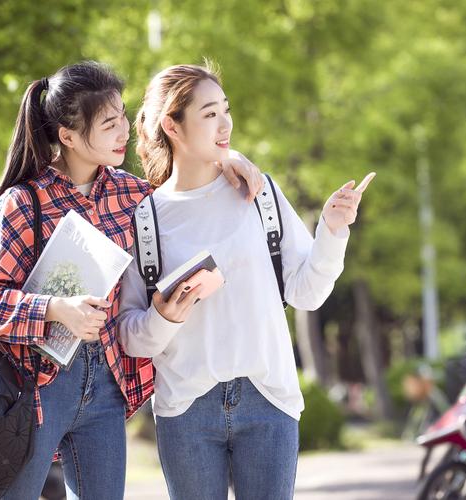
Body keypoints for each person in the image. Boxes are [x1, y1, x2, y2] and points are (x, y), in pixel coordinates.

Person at [0, 60, 263, 500]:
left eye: (123, 118)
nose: (124, 133)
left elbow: (186, 187)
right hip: (36, 388)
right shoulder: (24, 203)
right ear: (68, 136)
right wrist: (55, 309)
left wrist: (230, 158)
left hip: (107, 388)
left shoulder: (134, 195)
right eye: (110, 124)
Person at [118, 63, 375, 500]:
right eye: (210, 113)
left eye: (226, 109)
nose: (226, 124)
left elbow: (306, 293)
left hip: (268, 401)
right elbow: (130, 336)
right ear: (172, 126)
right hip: (185, 410)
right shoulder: (145, 219)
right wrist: (163, 317)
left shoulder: (259, 194)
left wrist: (332, 232)